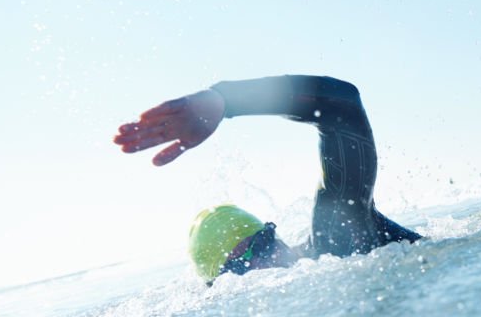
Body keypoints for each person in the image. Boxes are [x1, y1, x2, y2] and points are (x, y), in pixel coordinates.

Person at [114, 75, 421, 283]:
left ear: (273, 233)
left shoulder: (336, 239)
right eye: (239, 267)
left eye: (262, 244)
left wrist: (227, 100)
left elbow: (344, 105)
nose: (264, 263)